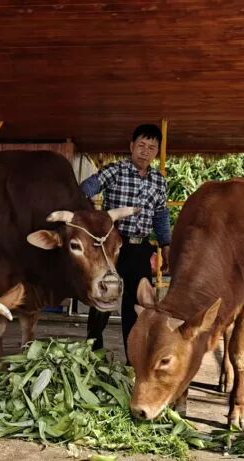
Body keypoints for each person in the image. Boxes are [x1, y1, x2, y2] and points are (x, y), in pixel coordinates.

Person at [79, 123, 171, 354]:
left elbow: (160, 216)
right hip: (113, 248)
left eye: (152, 148)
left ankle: (133, 356)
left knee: (139, 305)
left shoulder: (159, 182)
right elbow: (85, 189)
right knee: (104, 296)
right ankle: (94, 350)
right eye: (141, 145)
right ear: (131, 146)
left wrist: (166, 246)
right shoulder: (115, 171)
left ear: (156, 152)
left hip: (141, 250)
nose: (145, 151)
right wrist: (91, 218)